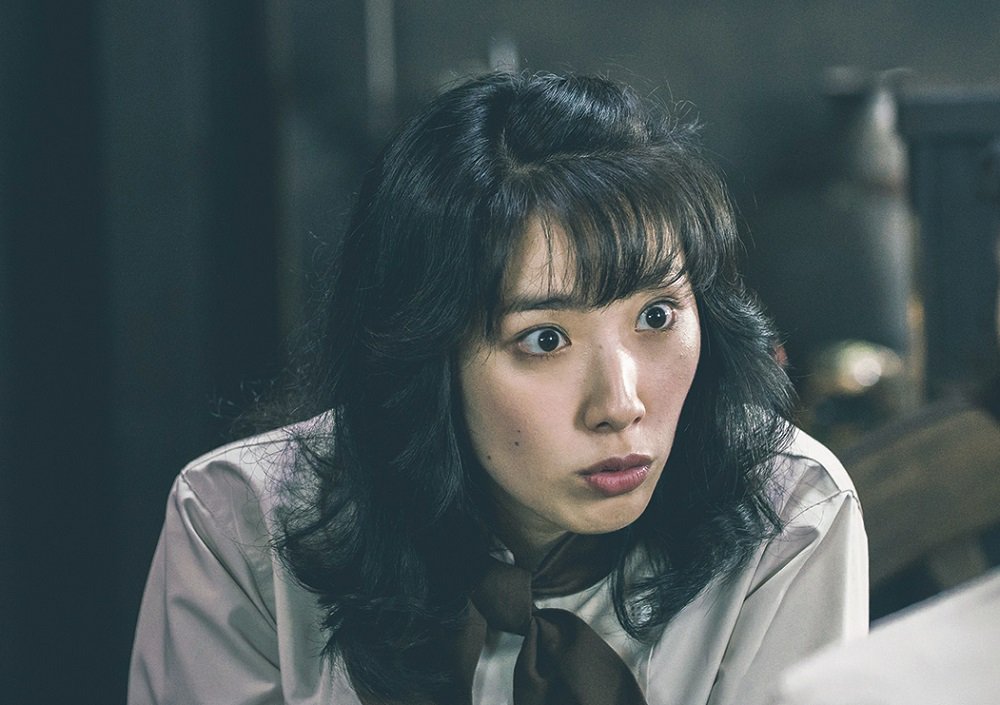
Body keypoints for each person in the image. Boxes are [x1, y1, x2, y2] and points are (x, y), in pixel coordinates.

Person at [127, 72, 868, 705]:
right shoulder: (241, 526)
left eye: (656, 316)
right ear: (429, 351)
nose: (620, 404)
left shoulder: (787, 515)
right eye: (544, 339)